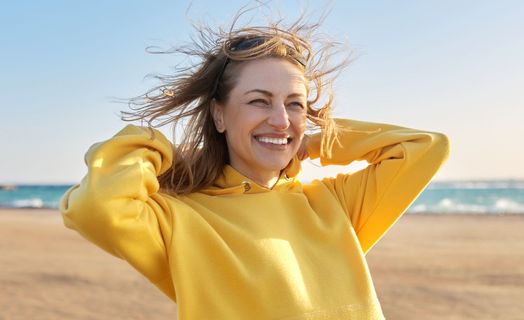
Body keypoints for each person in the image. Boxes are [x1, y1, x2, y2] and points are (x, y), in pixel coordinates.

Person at [60, 13, 450, 320]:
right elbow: (95, 207)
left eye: (294, 104)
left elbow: (423, 148)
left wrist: (312, 142)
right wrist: (163, 151)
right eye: (259, 101)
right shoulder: (179, 218)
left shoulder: (335, 204)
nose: (281, 119)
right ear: (219, 115)